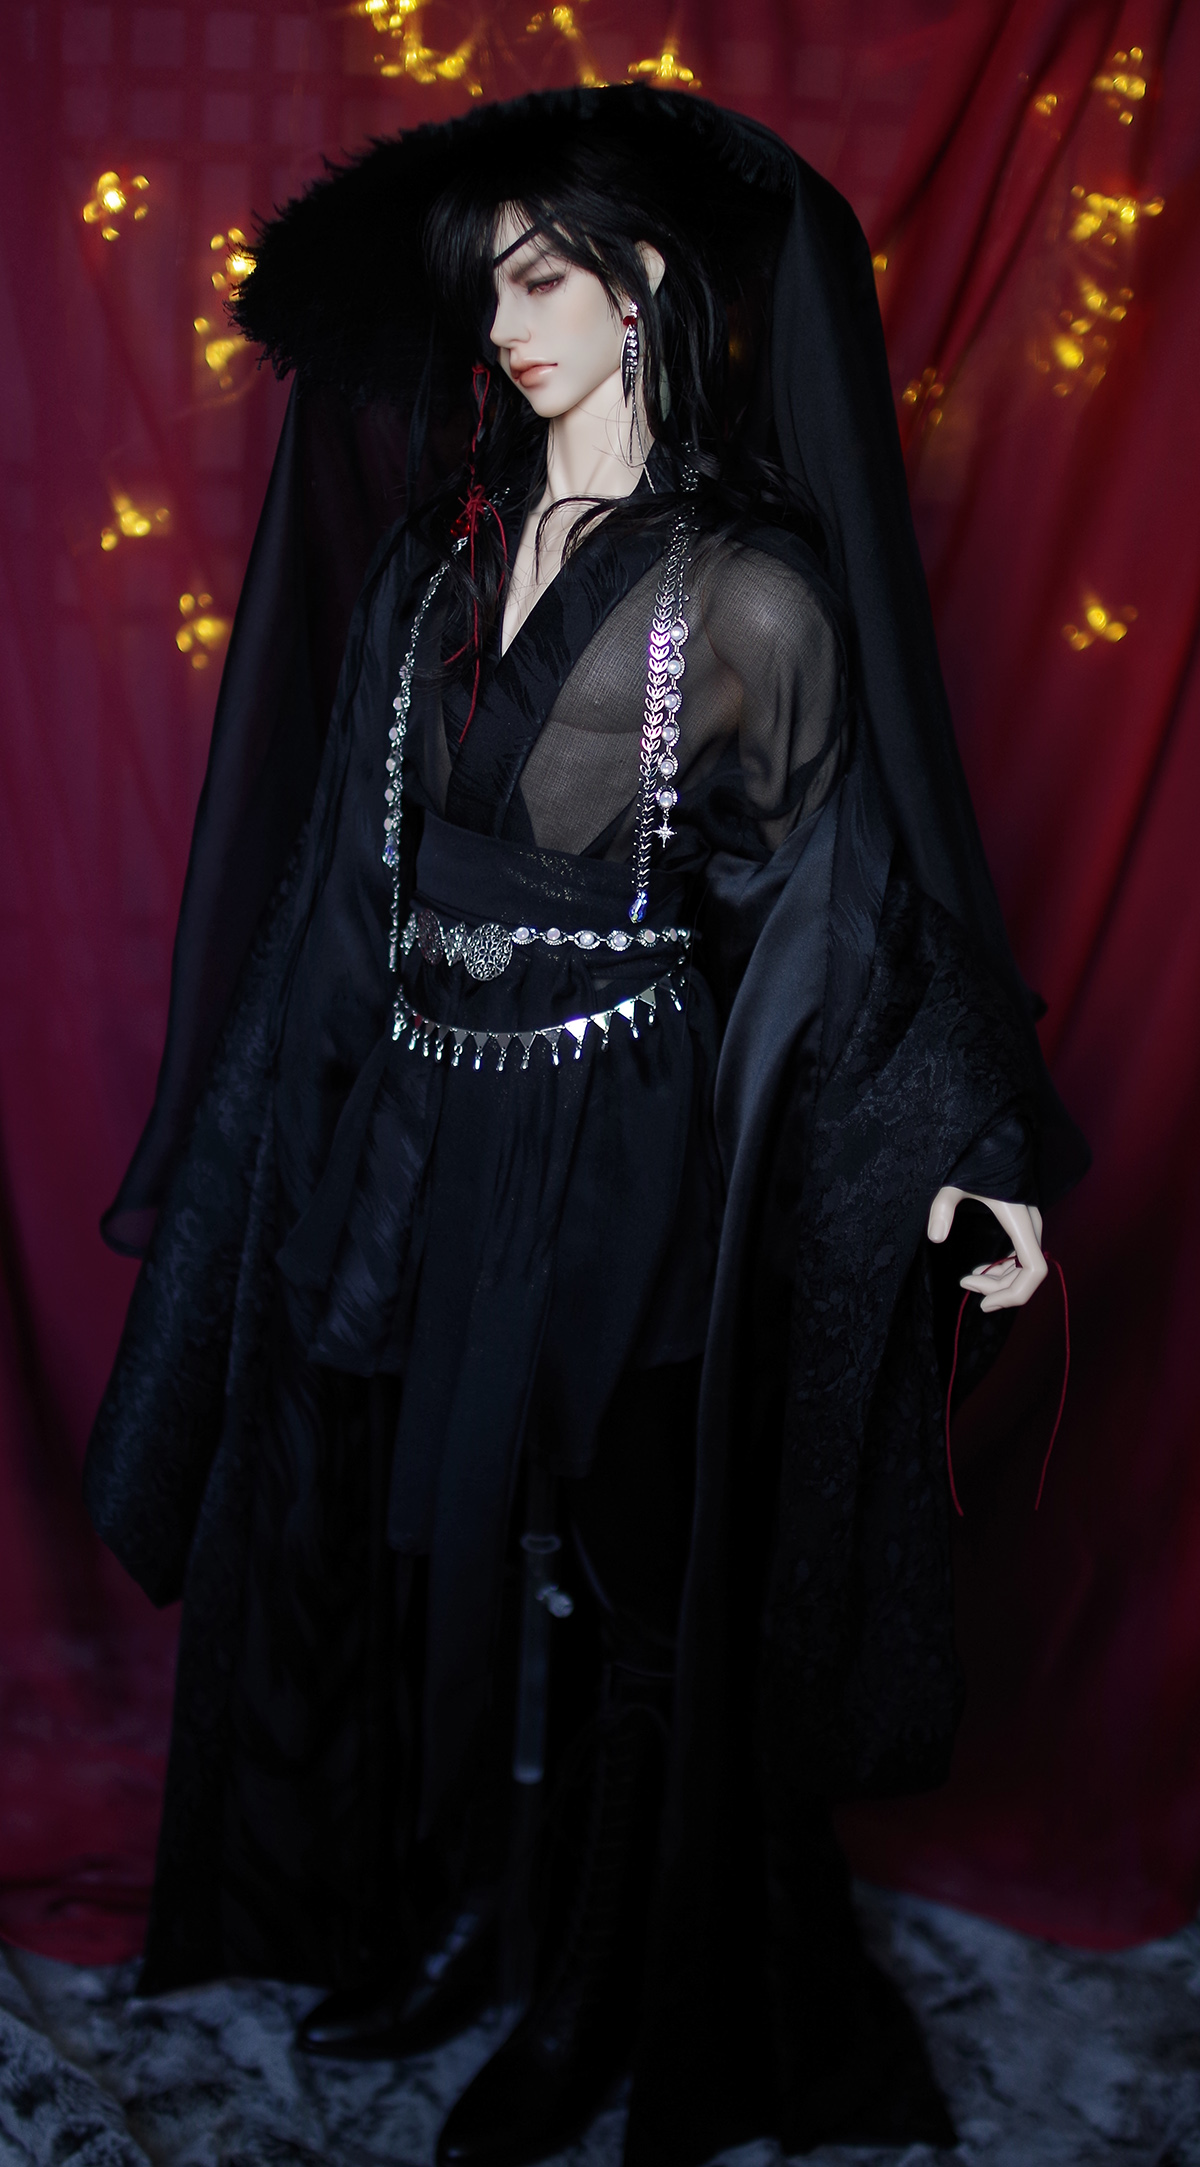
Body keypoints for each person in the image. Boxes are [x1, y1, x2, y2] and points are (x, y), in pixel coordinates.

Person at [85, 85, 1086, 2167]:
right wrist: (295, 1139)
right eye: (486, 287)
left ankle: (598, 1997)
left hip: (625, 1153)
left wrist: (971, 1150)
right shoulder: (440, 564)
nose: (506, 325)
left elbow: (845, 910)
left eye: (542, 279)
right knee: (442, 1546)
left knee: (629, 1577)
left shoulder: (751, 600)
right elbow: (343, 887)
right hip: (424, 1140)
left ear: (645, 290)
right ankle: (475, 1925)